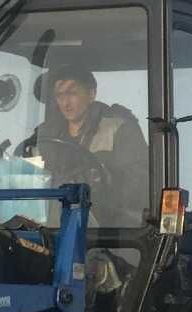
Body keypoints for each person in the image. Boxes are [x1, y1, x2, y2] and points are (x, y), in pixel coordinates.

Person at [29, 64, 149, 226]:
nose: (65, 102)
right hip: (54, 223)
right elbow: (28, 171)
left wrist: (106, 181)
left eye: (72, 93)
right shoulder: (45, 134)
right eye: (59, 95)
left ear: (91, 94)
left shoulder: (119, 128)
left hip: (108, 229)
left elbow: (140, 184)